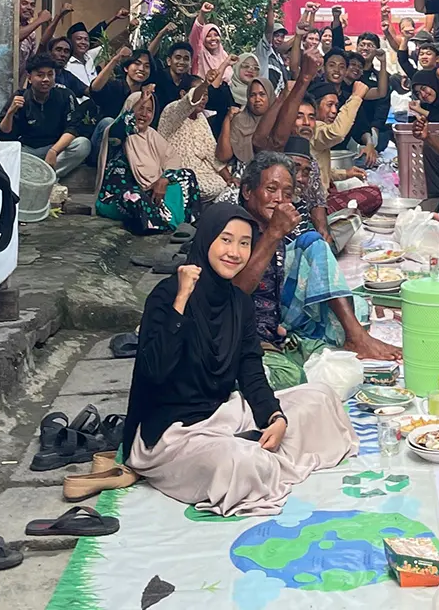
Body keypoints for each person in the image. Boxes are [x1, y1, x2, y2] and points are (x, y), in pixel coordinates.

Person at [122, 203, 357, 517]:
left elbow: (251, 369)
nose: (235, 252)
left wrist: (274, 416)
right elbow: (155, 370)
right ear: (206, 240)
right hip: (172, 432)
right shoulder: (167, 295)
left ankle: (259, 448)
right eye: (226, 240)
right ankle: (252, 457)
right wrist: (181, 301)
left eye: (244, 243)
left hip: (221, 414)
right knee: (241, 462)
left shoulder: (238, 302)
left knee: (321, 397)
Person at [229, 153, 401, 388]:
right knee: (291, 377)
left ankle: (356, 338)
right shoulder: (234, 229)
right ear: (248, 192)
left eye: (287, 194)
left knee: (335, 352)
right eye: (271, 189)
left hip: (279, 327)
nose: (279, 199)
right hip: (240, 335)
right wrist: (273, 234)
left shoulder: (277, 227)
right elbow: (236, 293)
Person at [94, 88, 200, 234]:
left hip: (150, 191)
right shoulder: (118, 134)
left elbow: (172, 159)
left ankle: (188, 224)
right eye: (140, 108)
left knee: (187, 175)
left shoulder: (152, 136)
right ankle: (164, 226)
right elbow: (120, 128)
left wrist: (164, 179)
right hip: (118, 197)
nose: (144, 114)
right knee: (135, 197)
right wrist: (141, 101)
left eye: (149, 110)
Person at [0, 53, 91, 180]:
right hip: (28, 150)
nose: (46, 79)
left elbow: (73, 128)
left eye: (50, 74)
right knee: (8, 154)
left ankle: (47, 178)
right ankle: (43, 177)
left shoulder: (65, 95)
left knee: (83, 145)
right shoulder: (20, 97)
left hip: (56, 148)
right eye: (40, 75)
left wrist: (54, 151)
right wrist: (10, 112)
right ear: (29, 78)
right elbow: (3, 133)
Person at [158, 64, 232, 200]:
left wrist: (229, 179)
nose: (203, 98)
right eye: (200, 93)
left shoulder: (201, 117)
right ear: (182, 94)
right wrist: (205, 84)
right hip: (180, 176)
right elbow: (188, 103)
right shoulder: (172, 111)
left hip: (206, 173)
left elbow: (212, 152)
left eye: (206, 94)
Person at [224, 64, 277, 168]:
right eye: (252, 95)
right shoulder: (239, 120)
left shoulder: (279, 120)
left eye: (262, 94)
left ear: (270, 96)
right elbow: (223, 156)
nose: (257, 99)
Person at [148, 39, 199, 127]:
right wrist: (161, 34)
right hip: (156, 126)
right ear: (169, 61)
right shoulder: (158, 76)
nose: (182, 62)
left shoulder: (192, 82)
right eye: (178, 58)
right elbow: (148, 57)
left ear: (190, 63)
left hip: (182, 129)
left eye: (186, 59)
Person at [189, 1, 234, 85]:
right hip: (203, 95)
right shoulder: (199, 53)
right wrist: (202, 14)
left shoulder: (224, 56)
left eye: (216, 35)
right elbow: (195, 34)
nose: (213, 38)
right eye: (208, 36)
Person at [18, 0, 52, 79]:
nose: (29, 7)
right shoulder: (7, 26)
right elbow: (15, 37)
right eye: (24, 3)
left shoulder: (31, 34)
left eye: (32, 5)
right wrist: (40, 20)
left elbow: (31, 62)